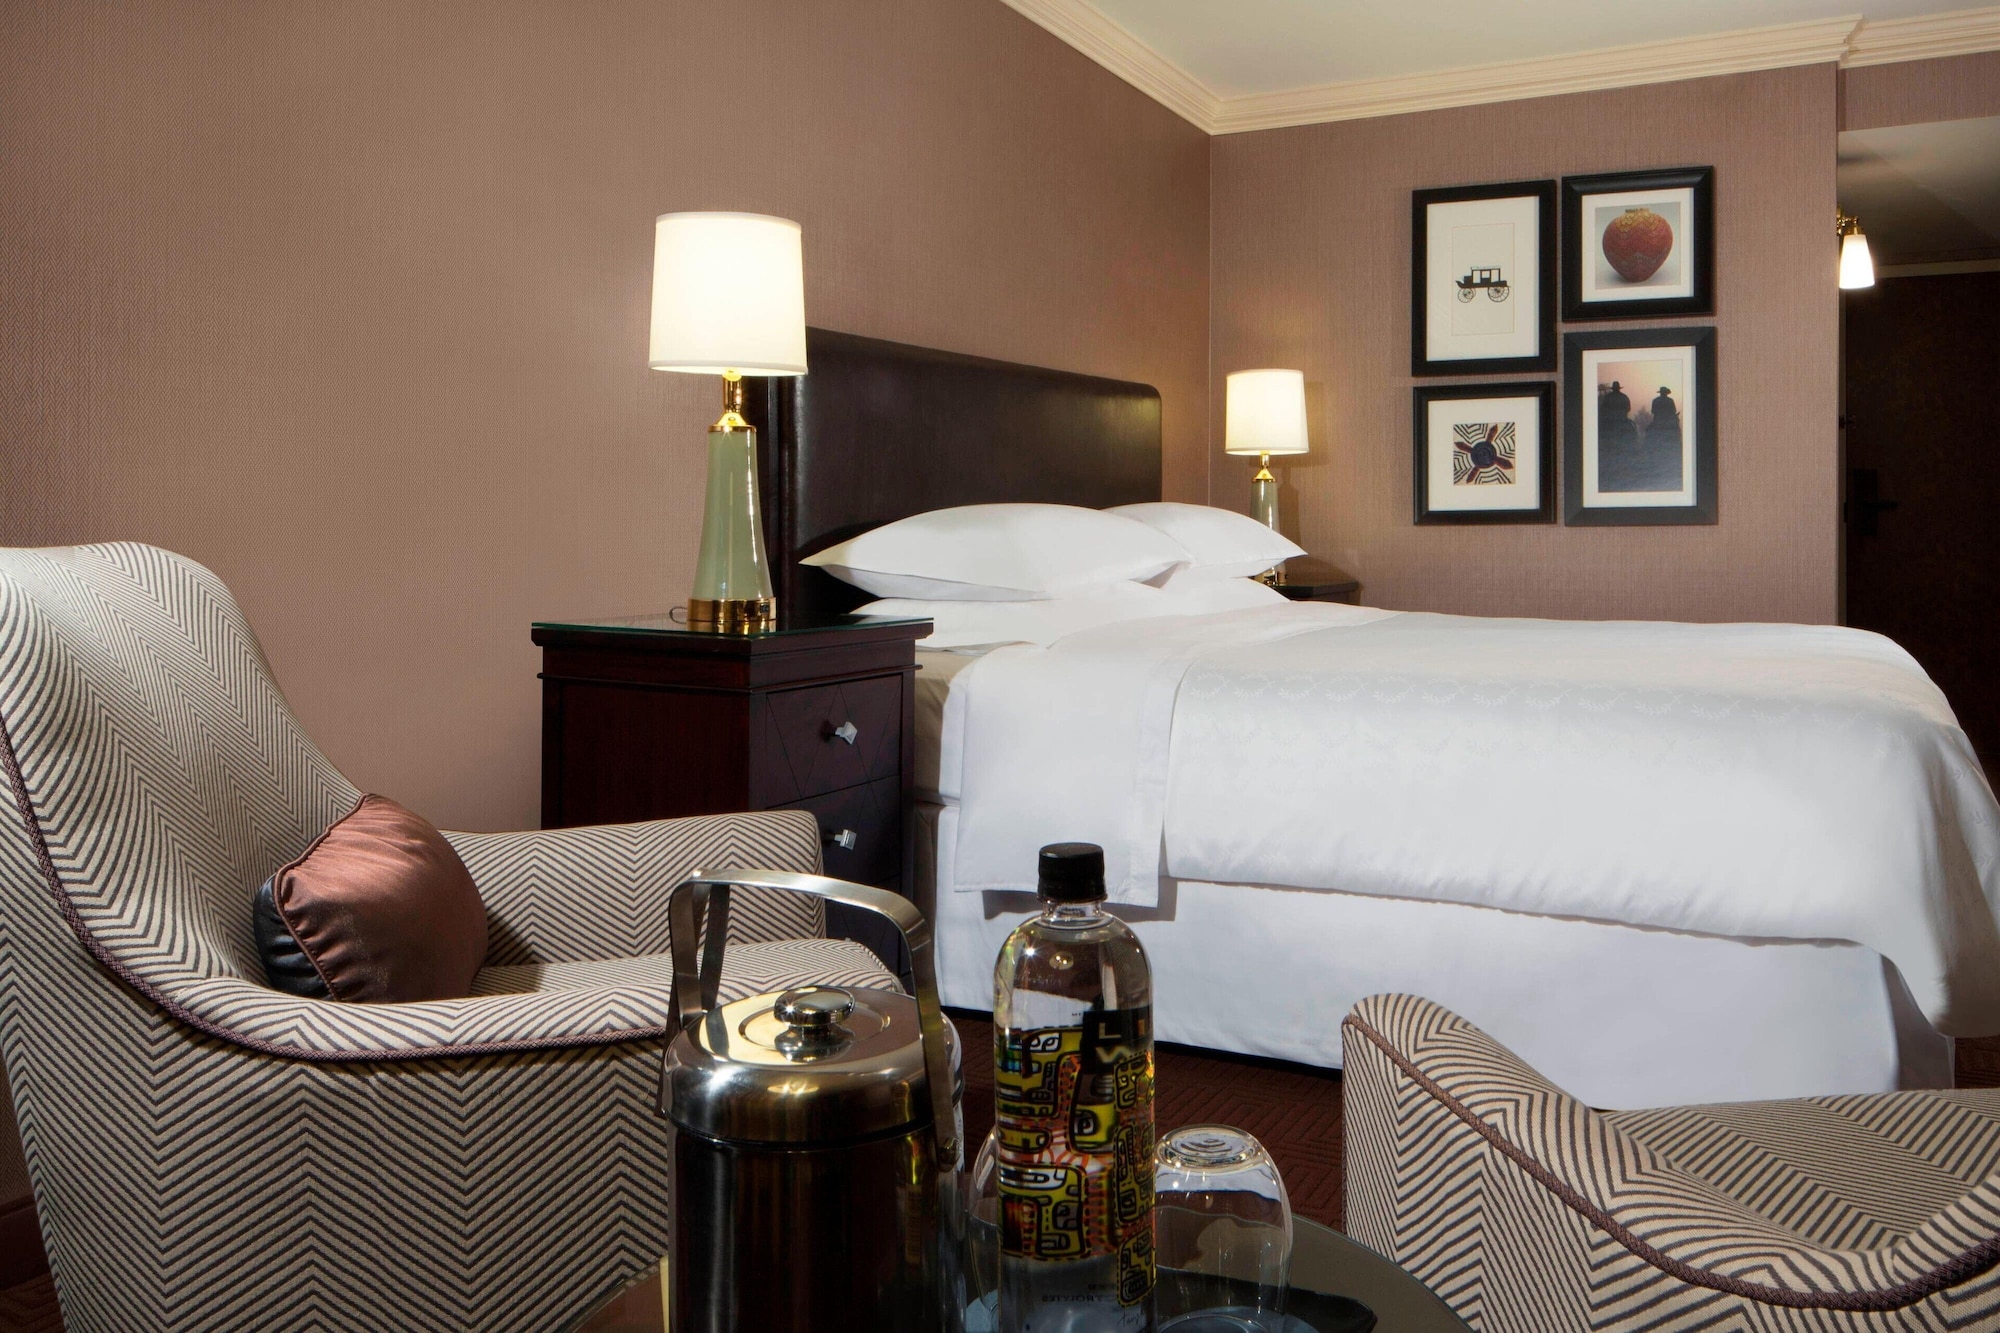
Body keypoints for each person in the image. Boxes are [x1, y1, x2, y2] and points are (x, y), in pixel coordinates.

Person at [1599, 379, 1636, 449]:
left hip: (1610, 419)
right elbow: (1628, 408)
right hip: (1622, 419)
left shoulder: (1608, 397)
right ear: (1619, 388)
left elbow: (1603, 408)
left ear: (1613, 388)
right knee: (1632, 429)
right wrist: (1621, 413)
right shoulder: (1624, 397)